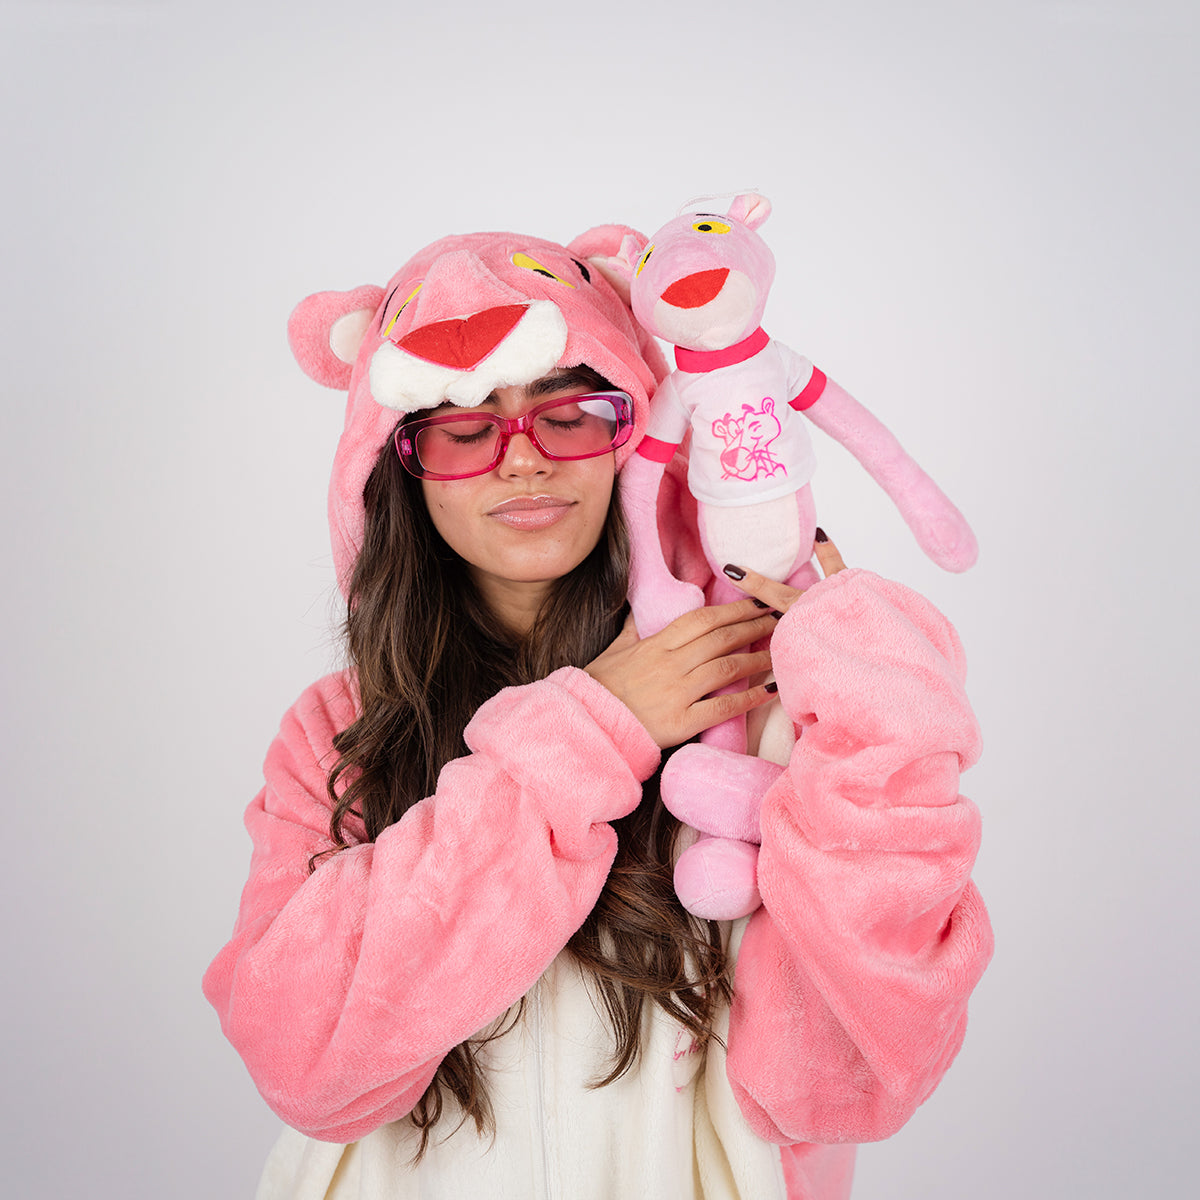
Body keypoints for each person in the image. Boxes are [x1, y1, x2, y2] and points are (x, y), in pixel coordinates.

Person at [203, 226, 991, 1200]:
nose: (523, 461)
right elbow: (302, 1061)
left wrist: (878, 726)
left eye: (570, 415)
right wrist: (598, 725)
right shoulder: (339, 729)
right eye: (464, 429)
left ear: (637, 434)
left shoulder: (748, 705)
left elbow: (844, 1087)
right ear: (400, 465)